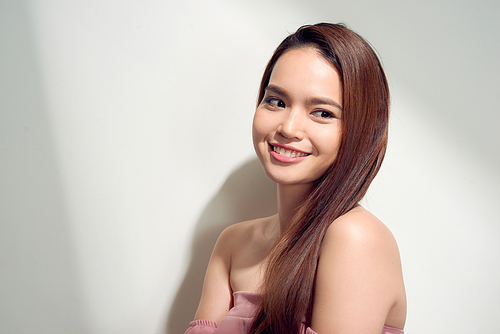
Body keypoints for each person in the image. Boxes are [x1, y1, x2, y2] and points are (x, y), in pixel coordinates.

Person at [184, 23, 406, 334]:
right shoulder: (232, 243)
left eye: (322, 112)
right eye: (276, 101)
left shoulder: (355, 238)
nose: (288, 127)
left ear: (359, 131)